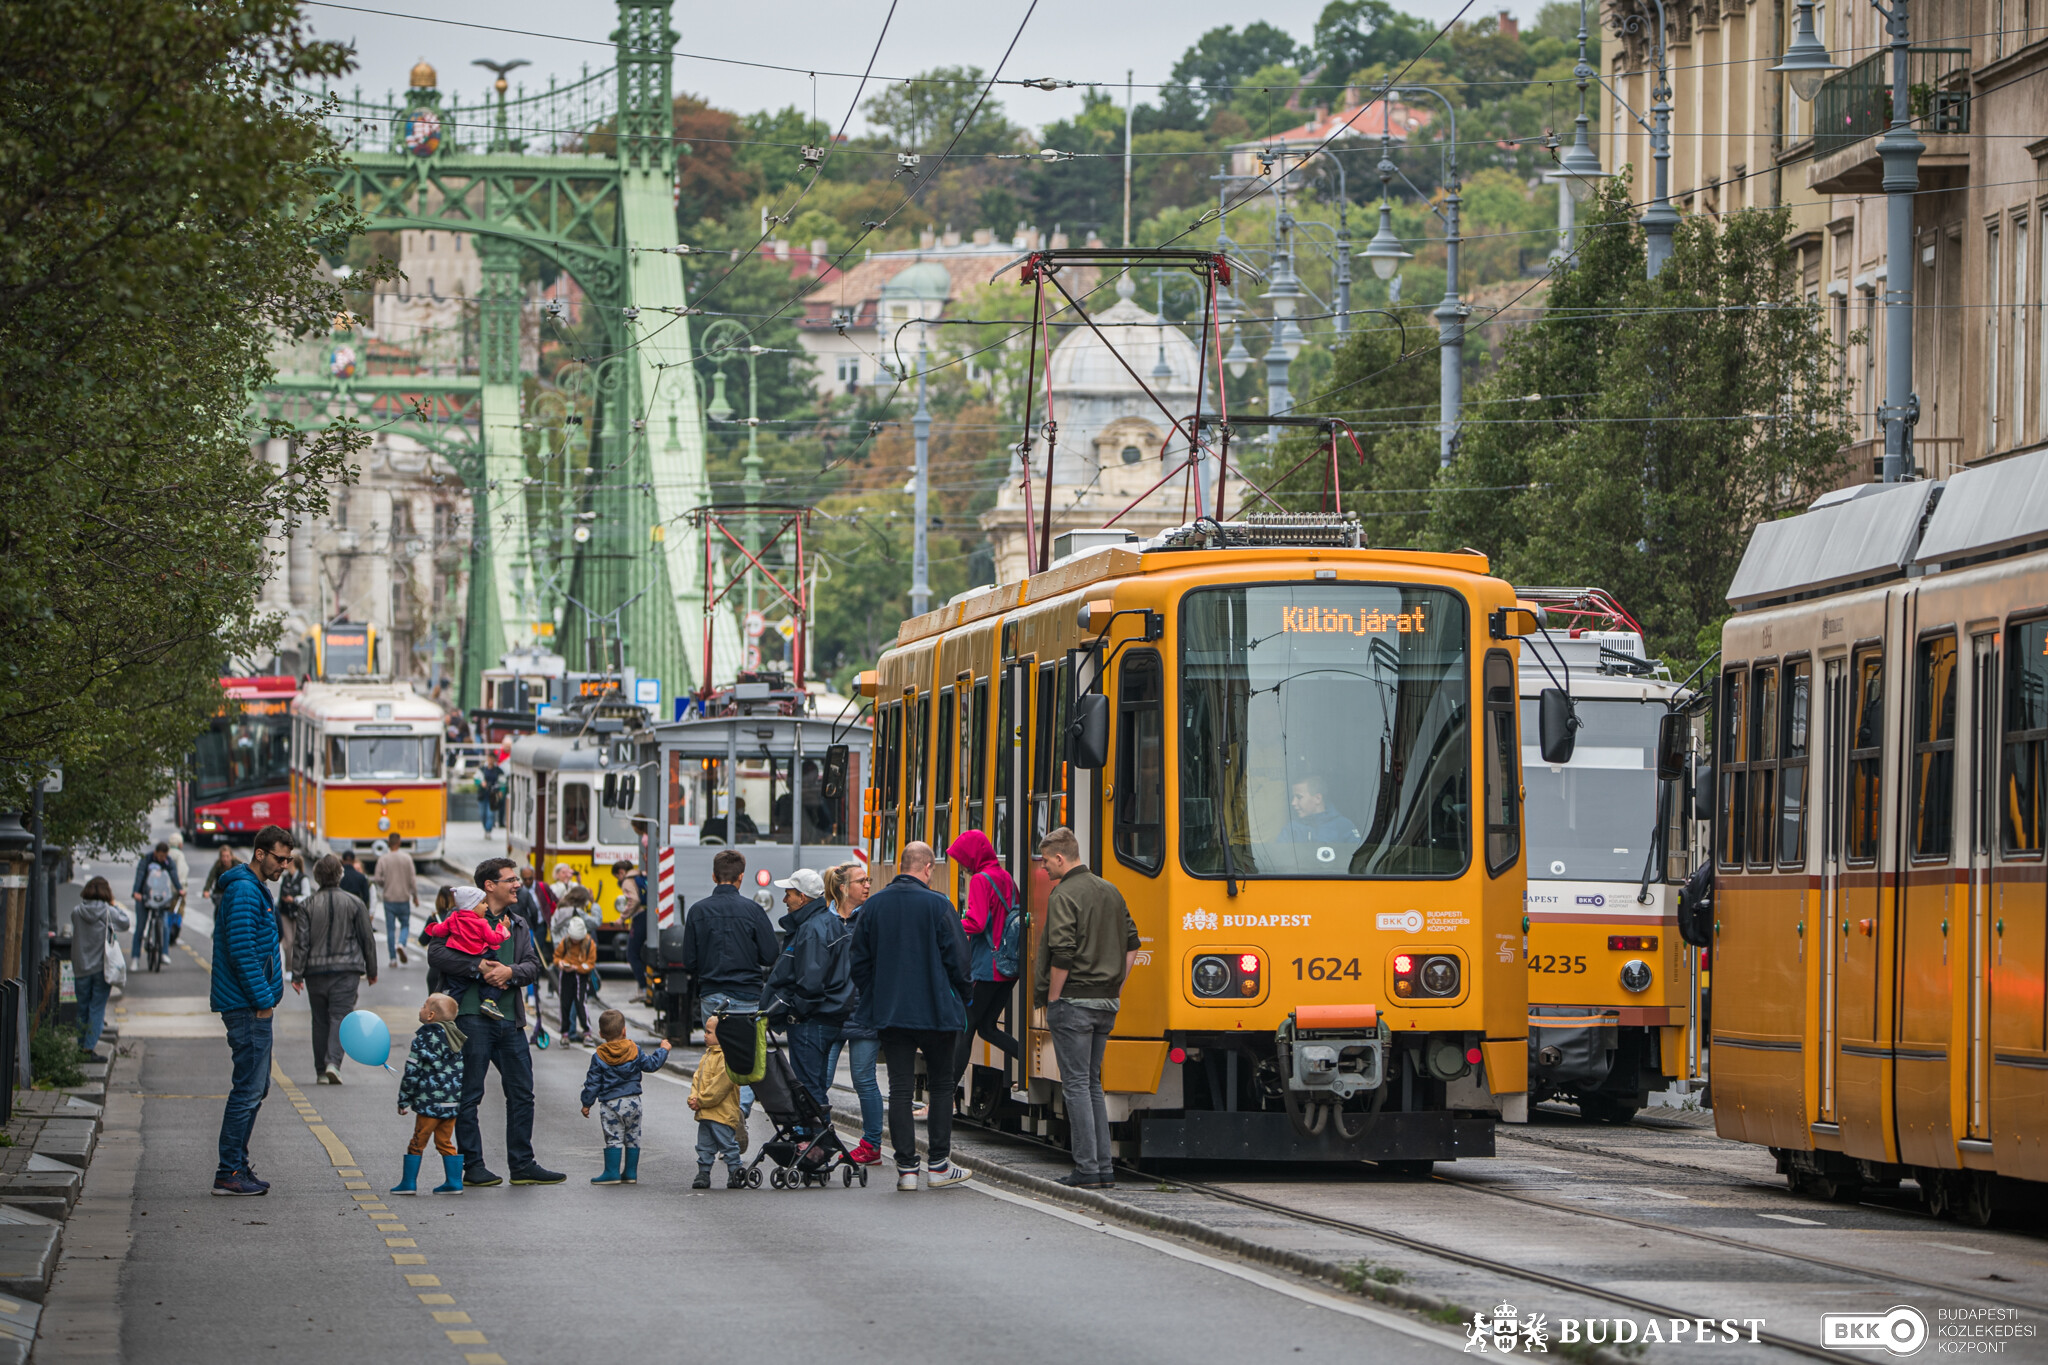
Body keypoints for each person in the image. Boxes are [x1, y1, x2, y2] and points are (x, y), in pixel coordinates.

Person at [426, 857, 564, 1187]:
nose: (518, 885)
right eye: (510, 880)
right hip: (470, 1018)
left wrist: (510, 972)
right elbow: (437, 954)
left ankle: (522, 1164)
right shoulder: (461, 916)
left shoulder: (518, 924)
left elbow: (533, 966)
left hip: (510, 1020)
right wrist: (480, 968)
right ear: (489, 886)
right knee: (469, 1095)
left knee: (522, 1093)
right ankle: (473, 1165)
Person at [849, 841, 973, 1192]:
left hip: (891, 1012)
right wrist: (963, 996)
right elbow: (959, 959)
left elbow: (858, 960)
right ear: (928, 868)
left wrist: (875, 992)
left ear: (902, 865)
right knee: (941, 1085)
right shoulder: (939, 905)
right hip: (937, 1011)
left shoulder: (874, 906)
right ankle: (938, 1166)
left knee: (900, 1089)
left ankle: (906, 1170)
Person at [1035, 826, 1141, 1190]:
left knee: (1077, 1085)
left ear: (1061, 858)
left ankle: (1086, 1168)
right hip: (1105, 1003)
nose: (1044, 869)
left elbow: (1062, 952)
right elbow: (1133, 944)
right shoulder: (1110, 890)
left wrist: (1053, 998)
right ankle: (1103, 1168)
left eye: (1046, 861)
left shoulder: (1064, 894)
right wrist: (1116, 986)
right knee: (1093, 1084)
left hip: (1074, 1002)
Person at [211, 824, 294, 1197]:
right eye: (280, 858)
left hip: (251, 1005)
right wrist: (263, 1000)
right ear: (260, 854)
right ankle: (228, 1171)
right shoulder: (245, 890)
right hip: (247, 1008)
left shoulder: (252, 887)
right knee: (247, 1090)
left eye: (289, 859)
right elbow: (242, 952)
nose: (285, 866)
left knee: (256, 1088)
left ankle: (237, 1165)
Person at [762, 867, 852, 1122]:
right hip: (827, 1017)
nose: (784, 900)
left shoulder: (811, 929)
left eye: (788, 894)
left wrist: (795, 1013)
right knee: (815, 1086)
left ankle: (815, 1148)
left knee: (808, 1088)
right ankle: (815, 1144)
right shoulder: (827, 922)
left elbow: (810, 983)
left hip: (811, 1020)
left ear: (802, 898)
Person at [290, 854, 377, 1083]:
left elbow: (301, 942)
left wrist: (296, 973)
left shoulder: (307, 905)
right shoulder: (355, 903)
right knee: (340, 1016)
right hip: (347, 970)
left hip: (314, 971)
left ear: (317, 877)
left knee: (319, 1020)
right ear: (340, 875)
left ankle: (320, 1070)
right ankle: (333, 1063)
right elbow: (367, 939)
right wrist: (372, 970)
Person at [950, 829, 1022, 1093]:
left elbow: (977, 922)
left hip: (985, 969)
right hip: (1008, 969)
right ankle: (1027, 1062)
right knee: (988, 1028)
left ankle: (945, 1094)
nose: (962, 866)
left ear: (972, 856)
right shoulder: (1006, 878)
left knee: (965, 1029)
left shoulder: (981, 880)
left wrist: (950, 925)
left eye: (962, 860)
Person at [823, 863, 882, 1164]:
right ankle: (814, 1137)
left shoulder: (870, 918)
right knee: (821, 1079)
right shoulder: (825, 920)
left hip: (863, 1010)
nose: (868, 885)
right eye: (861, 881)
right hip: (831, 1010)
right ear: (844, 887)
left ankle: (872, 1144)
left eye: (868, 880)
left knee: (863, 1080)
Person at [579, 1008, 670, 1185]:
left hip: (611, 1104)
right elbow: (651, 1065)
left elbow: (593, 1083)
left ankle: (612, 1172)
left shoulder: (599, 1055)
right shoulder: (634, 1049)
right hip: (634, 1102)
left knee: (614, 1137)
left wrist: (586, 1103)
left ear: (601, 1034)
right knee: (633, 1136)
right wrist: (663, 1050)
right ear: (624, 1031)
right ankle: (630, 1173)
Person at [392, 993, 466, 1196]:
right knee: (445, 1142)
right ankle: (454, 1182)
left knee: (417, 1142)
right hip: (451, 1103)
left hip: (429, 1103)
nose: (421, 1008)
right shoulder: (456, 1038)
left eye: (424, 1006)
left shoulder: (423, 1039)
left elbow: (412, 1072)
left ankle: (408, 1183)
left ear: (431, 1015)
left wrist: (404, 1099)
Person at [423, 885, 513, 1021]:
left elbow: (440, 930)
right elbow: (494, 939)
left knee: (455, 988)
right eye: (483, 903)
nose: (486, 906)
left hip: (459, 957)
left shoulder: (453, 918)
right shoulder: (482, 923)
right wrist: (502, 928)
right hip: (481, 954)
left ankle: (449, 1012)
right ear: (473, 906)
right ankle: (489, 1001)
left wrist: (433, 929)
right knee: (493, 978)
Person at [70, 877, 130, 1060]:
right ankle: (88, 1049)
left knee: (82, 1008)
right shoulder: (108, 912)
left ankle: (81, 1047)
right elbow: (126, 923)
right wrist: (114, 904)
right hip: (102, 969)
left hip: (81, 967)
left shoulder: (76, 912)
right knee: (96, 1008)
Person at [688, 1015, 747, 1189]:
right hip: (705, 1112)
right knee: (704, 1145)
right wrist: (692, 1097)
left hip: (722, 1114)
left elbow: (720, 1086)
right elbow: (697, 1078)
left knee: (727, 1144)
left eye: (709, 1032)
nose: (704, 1035)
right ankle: (703, 1172)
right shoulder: (707, 1055)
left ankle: (735, 1171)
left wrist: (701, 1100)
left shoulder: (727, 1058)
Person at [130, 842, 181, 962]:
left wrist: (179, 889)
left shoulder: (168, 862)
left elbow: (173, 875)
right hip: (145, 895)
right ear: (155, 853)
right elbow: (140, 876)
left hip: (161, 897)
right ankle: (135, 957)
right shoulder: (146, 860)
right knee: (140, 926)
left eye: (164, 856)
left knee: (164, 924)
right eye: (160, 856)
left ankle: (164, 953)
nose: (162, 859)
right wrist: (136, 892)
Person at [374, 834, 418, 968]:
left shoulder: (383, 859)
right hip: (404, 898)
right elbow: (412, 879)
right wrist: (415, 895)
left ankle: (393, 959)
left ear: (388, 843)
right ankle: (402, 943)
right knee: (405, 924)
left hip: (389, 898)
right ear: (399, 842)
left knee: (390, 929)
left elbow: (377, 878)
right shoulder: (407, 858)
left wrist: (384, 884)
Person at [1280, 774, 1361, 845]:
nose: (1293, 803)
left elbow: (1357, 858)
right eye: (1293, 797)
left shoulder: (1343, 826)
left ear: (1317, 798)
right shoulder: (1292, 829)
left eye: (1299, 797)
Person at [554, 916, 597, 1040]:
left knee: (581, 1004)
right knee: (565, 1003)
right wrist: (560, 963)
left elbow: (590, 963)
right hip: (566, 974)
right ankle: (565, 1032)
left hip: (581, 976)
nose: (574, 941)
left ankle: (587, 1032)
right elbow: (557, 957)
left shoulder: (589, 943)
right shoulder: (565, 941)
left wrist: (577, 968)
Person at [275, 852, 307, 967]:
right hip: (285, 913)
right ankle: (289, 967)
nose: (284, 863)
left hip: (298, 913)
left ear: (292, 862)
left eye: (286, 860)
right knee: (287, 942)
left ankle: (298, 967)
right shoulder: (285, 878)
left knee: (298, 942)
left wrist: (294, 899)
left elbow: (306, 896)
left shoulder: (303, 879)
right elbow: (280, 895)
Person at [164, 832, 191, 944]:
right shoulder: (179, 855)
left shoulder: (166, 854)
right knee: (178, 912)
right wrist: (181, 888)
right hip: (177, 889)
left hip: (165, 889)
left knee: (167, 911)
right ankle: (173, 934)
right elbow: (181, 872)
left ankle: (166, 932)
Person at [477, 760, 503, 837]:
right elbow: (476, 779)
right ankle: (486, 828)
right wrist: (481, 783)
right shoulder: (482, 769)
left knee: (490, 814)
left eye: (492, 758)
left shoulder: (498, 770)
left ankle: (488, 830)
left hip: (493, 795)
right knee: (482, 814)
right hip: (483, 795)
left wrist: (501, 791)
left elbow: (502, 782)